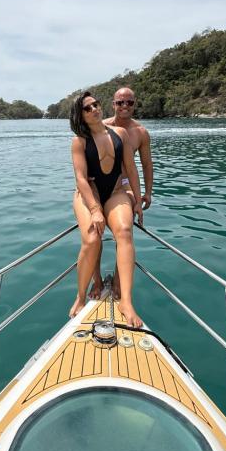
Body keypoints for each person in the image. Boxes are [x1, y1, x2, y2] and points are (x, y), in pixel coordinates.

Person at [70, 91, 144, 328]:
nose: (95, 109)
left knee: (124, 230)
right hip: (88, 195)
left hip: (113, 192)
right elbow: (81, 178)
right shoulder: (79, 141)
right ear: (80, 115)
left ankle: (127, 302)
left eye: (96, 104)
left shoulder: (120, 134)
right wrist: (94, 209)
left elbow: (131, 170)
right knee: (92, 239)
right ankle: (82, 295)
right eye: (88, 108)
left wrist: (139, 200)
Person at [89, 86, 154, 299]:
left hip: (124, 185)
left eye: (129, 102)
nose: (124, 106)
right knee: (94, 233)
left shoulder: (140, 133)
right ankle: (96, 280)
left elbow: (145, 165)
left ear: (135, 105)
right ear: (113, 105)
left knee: (125, 231)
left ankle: (119, 281)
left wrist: (146, 193)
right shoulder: (101, 126)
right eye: (120, 102)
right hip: (100, 185)